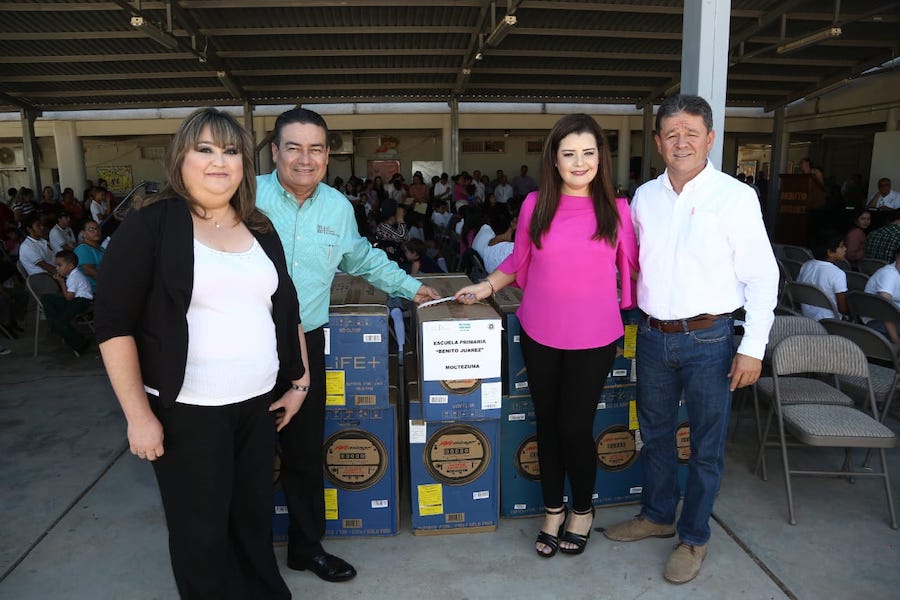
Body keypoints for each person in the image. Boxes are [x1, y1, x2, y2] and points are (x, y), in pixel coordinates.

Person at [94, 108, 308, 600]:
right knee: (201, 532)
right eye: (205, 149)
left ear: (244, 165)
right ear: (180, 159)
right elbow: (113, 326)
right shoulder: (150, 225)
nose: (219, 161)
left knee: (252, 518)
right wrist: (138, 417)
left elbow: (286, 309)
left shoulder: (259, 226)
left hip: (257, 405)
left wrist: (299, 382)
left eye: (231, 151)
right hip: (187, 412)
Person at [256, 107, 439, 583]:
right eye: (293, 148)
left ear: (327, 155)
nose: (305, 159)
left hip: (305, 345)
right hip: (244, 344)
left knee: (302, 453)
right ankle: (245, 555)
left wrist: (410, 286)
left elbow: (360, 258)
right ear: (275, 152)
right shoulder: (246, 196)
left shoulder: (337, 207)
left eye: (315, 149)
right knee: (244, 454)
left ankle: (305, 547)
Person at [603, 94, 778, 585]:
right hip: (652, 336)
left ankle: (693, 536)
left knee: (705, 446)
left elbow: (763, 276)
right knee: (655, 435)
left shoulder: (735, 197)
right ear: (658, 142)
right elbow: (628, 264)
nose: (681, 142)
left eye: (691, 133)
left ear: (710, 139)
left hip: (710, 340)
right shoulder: (644, 197)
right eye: (671, 134)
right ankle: (657, 515)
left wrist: (752, 347)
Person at [454, 113, 638, 559]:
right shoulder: (535, 205)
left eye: (588, 153)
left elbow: (634, 267)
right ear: (554, 160)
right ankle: (553, 510)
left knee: (575, 427)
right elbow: (518, 260)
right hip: (540, 331)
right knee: (548, 425)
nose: (579, 162)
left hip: (594, 337)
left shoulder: (617, 209)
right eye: (569, 154)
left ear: (601, 158)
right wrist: (484, 287)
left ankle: (583, 509)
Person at [42, 250, 93, 355]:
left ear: (70, 266)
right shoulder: (73, 274)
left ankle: (80, 343)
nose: (57, 268)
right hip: (78, 300)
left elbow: (69, 297)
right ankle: (55, 323)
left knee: (60, 322)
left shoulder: (73, 277)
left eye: (59, 265)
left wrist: (61, 282)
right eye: (56, 265)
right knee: (46, 298)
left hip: (81, 302)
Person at [796, 233, 849, 320]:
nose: (845, 249)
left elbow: (798, 294)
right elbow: (842, 309)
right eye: (841, 246)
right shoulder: (838, 274)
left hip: (807, 318)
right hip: (830, 321)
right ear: (830, 252)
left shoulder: (806, 266)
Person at [862, 245, 900, 344]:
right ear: (897, 256)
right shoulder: (889, 275)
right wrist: (896, 339)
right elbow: (884, 309)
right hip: (877, 322)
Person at [18, 213, 59, 297]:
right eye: (38, 225)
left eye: (41, 224)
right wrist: (64, 273)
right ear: (29, 229)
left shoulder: (42, 240)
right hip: (45, 279)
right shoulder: (27, 247)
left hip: (54, 272)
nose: (42, 227)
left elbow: (53, 257)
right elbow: (45, 266)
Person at [73, 219, 104, 293]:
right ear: (83, 233)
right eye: (91, 229)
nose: (96, 231)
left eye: (97, 228)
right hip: (95, 290)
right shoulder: (82, 248)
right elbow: (88, 270)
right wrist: (110, 281)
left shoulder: (100, 248)